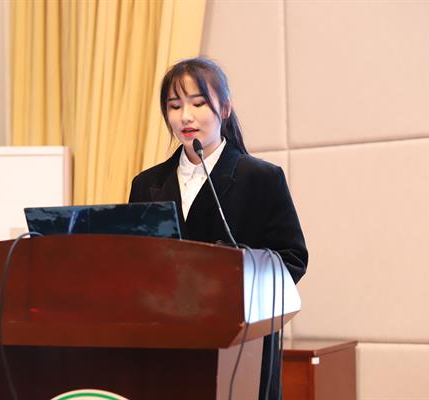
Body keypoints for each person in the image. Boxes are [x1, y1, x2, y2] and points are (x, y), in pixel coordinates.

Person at [129, 57, 308, 399]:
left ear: (224, 108)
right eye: (175, 106)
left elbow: (292, 258)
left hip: (241, 348)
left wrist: (234, 271)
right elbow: (134, 262)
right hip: (167, 349)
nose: (186, 116)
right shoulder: (147, 184)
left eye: (198, 103)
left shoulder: (261, 178)